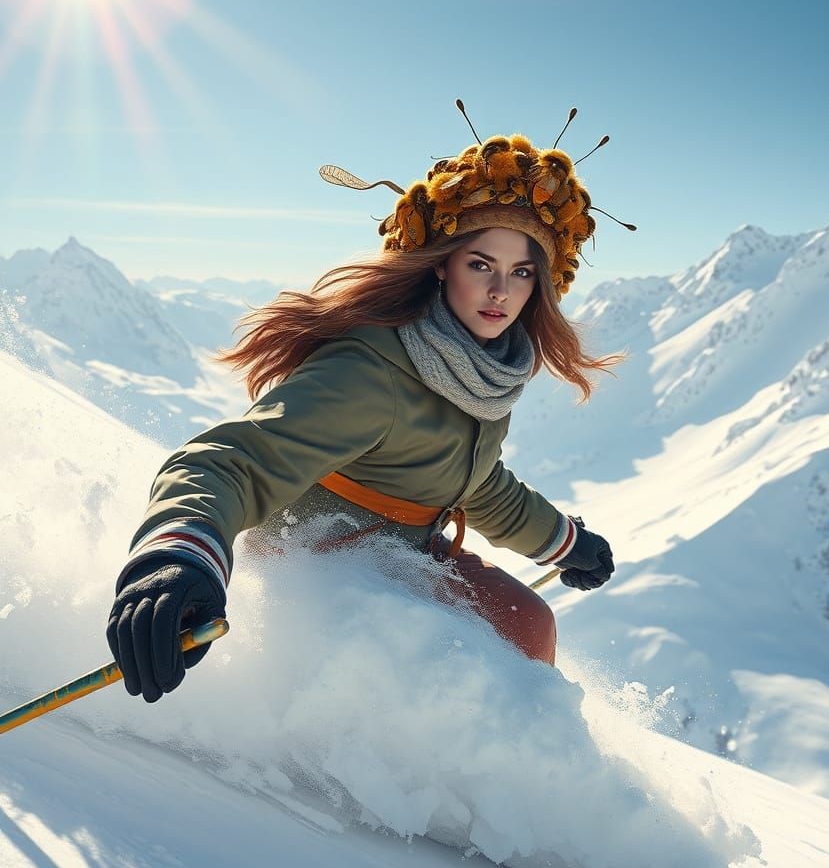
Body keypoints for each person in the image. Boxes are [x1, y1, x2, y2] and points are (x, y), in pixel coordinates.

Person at [106, 104, 627, 703]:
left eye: (520, 272)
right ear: (440, 268)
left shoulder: (484, 366)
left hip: (400, 555)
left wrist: (563, 541)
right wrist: (176, 556)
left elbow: (472, 480)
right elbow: (232, 461)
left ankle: (516, 765)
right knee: (470, 659)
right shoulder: (372, 370)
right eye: (480, 264)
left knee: (528, 623)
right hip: (314, 566)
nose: (498, 291)